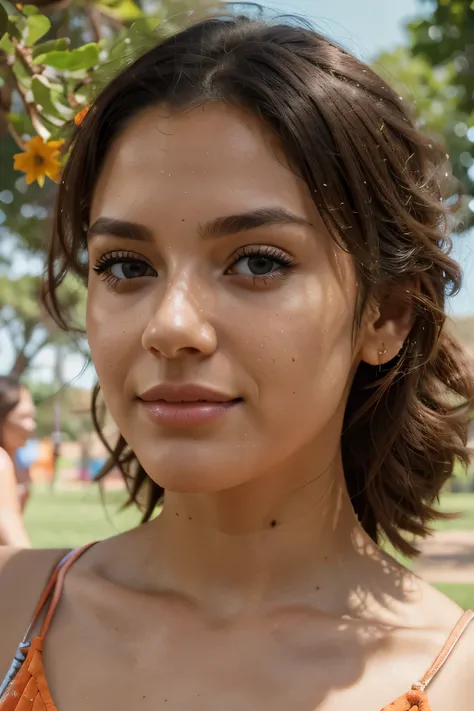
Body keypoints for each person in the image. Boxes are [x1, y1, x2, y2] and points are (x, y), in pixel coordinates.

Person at [0, 13, 473, 710]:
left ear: (386, 314)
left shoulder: (455, 677)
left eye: (258, 261)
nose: (171, 326)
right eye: (127, 265)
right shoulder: (13, 608)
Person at [0, 376, 34, 547]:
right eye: (23, 417)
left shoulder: (19, 464)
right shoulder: (1, 462)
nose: (31, 426)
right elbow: (15, 542)